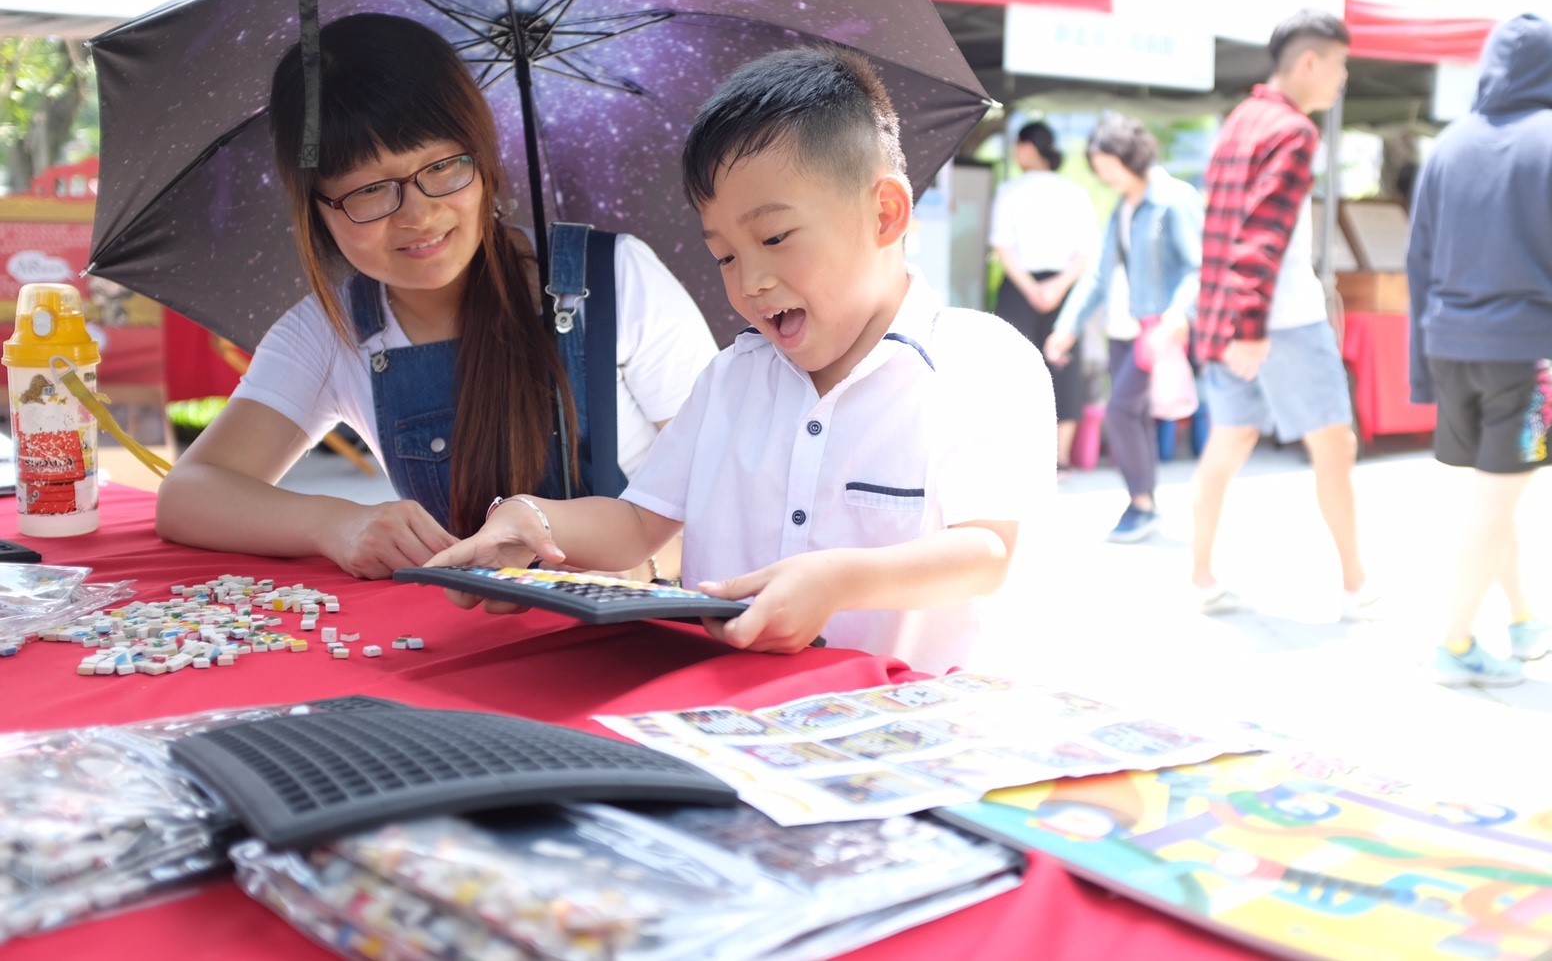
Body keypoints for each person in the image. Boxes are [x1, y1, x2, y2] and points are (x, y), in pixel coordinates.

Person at [430, 46, 1055, 674]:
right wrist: (531, 518)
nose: (749, 281)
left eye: (775, 238)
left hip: (905, 732)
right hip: (724, 721)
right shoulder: (730, 379)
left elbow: (986, 551)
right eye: (725, 255)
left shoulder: (981, 364)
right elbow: (634, 523)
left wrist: (838, 580)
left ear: (885, 212)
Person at [155, 13, 718, 579]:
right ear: (317, 210)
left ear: (482, 156)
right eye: (371, 190)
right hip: (462, 647)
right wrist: (335, 523)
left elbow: (724, 489)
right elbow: (189, 495)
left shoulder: (615, 279)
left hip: (639, 632)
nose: (419, 215)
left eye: (443, 166)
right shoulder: (332, 332)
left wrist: (632, 567)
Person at [1187, 8, 1374, 617]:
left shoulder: (1241, 119)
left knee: (1229, 440)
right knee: (1335, 445)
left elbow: (1226, 230)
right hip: (1278, 319)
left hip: (1225, 315)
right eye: (1341, 64)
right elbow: (1260, 238)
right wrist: (1249, 325)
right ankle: (1354, 584)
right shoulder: (1294, 132)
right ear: (1311, 61)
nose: (1343, 78)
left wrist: (1232, 322)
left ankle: (1201, 575)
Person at [1406, 12, 1552, 687]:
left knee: (1494, 493)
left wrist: (1421, 373)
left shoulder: (1448, 145)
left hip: (1452, 347)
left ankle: (1525, 619)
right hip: (1530, 359)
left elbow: (1418, 259)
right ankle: (1453, 642)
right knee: (1496, 500)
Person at [1044, 114, 1202, 543]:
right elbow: (1098, 273)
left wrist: (1178, 315)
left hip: (1155, 329)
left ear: (1129, 156)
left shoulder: (1173, 199)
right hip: (1121, 329)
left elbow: (1196, 268)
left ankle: (1141, 505)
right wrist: (1068, 326)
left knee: (1120, 412)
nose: (1102, 174)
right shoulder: (1123, 205)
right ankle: (1146, 504)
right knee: (1135, 416)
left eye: (1106, 164)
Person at [990, 122, 1098, 474]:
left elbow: (1002, 245)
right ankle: (1060, 459)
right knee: (1063, 368)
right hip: (1064, 287)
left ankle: (1017, 457)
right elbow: (1085, 252)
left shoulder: (1010, 190)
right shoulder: (1075, 192)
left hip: (1020, 287)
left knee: (1011, 367)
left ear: (1026, 148)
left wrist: (1032, 289)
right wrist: (1058, 287)